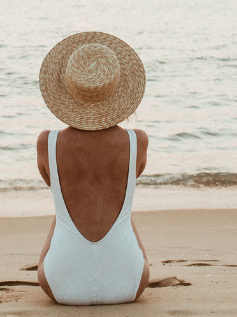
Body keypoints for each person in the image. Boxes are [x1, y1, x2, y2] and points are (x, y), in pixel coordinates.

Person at [35, 31, 150, 305]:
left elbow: (55, 186)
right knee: (123, 210)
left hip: (61, 285)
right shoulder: (138, 141)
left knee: (61, 211)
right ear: (119, 89)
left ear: (67, 89)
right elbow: (129, 181)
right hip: (129, 282)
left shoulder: (47, 142)